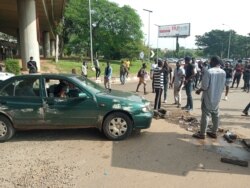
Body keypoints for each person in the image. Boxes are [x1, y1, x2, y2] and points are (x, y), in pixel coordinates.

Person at [193, 56, 226, 139]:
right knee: (216, 115)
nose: (209, 63)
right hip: (217, 97)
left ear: (214, 62)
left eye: (210, 61)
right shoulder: (223, 72)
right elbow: (223, 86)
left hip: (208, 97)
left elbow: (205, 86)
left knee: (205, 115)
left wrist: (199, 90)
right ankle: (214, 132)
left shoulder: (209, 72)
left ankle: (202, 134)